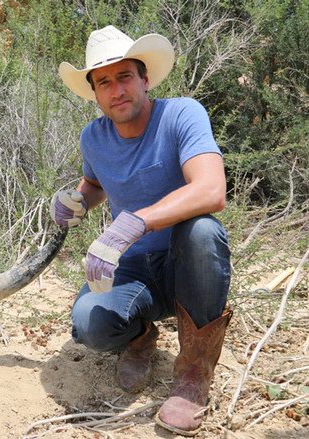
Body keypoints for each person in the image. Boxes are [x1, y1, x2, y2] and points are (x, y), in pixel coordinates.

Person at [51, 25, 233, 436]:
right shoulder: (93, 138)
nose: (117, 90)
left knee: (203, 231)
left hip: (183, 265)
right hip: (133, 268)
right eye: (104, 83)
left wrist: (135, 221)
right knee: (90, 326)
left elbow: (211, 189)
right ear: (94, 94)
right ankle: (140, 337)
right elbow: (96, 184)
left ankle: (192, 373)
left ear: (145, 79)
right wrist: (75, 200)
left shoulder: (181, 114)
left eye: (125, 77)